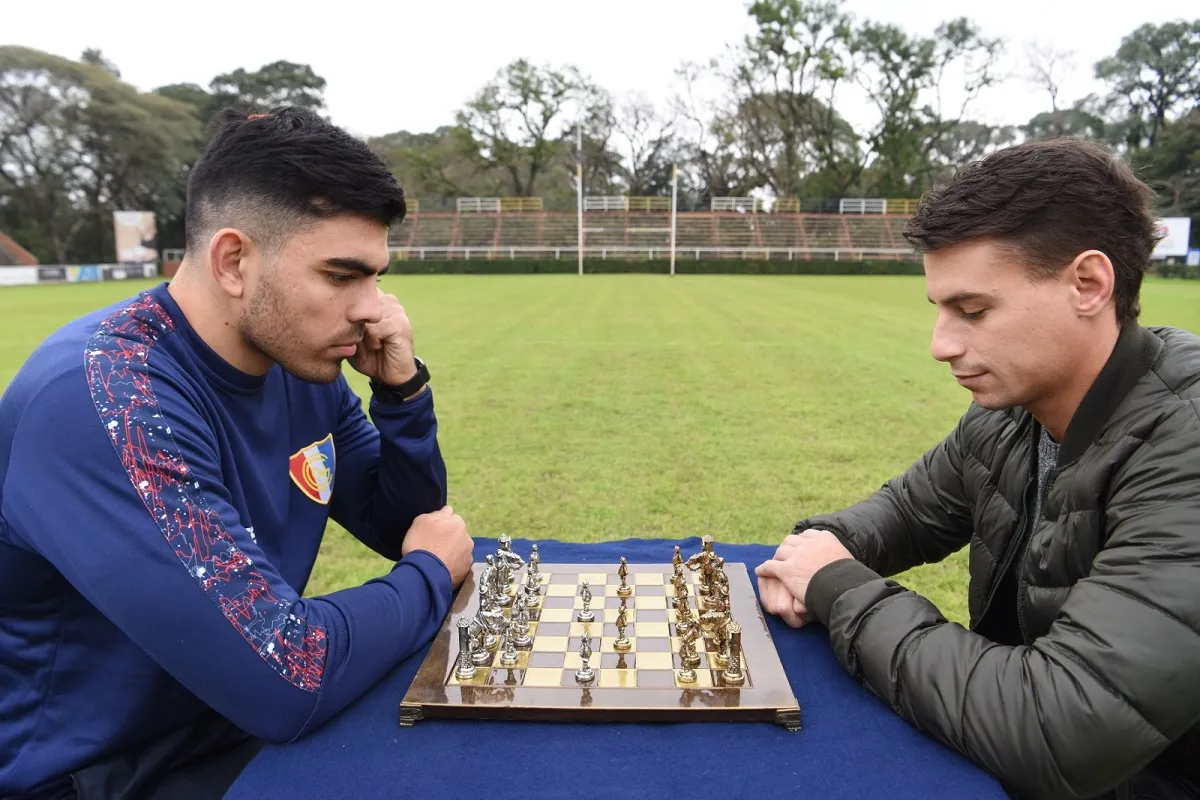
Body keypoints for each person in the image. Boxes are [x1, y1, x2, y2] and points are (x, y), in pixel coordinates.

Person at [0, 107, 474, 799]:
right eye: (342, 275)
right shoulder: (104, 400)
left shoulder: (298, 365)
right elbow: (292, 672)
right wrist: (430, 574)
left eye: (376, 276)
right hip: (90, 776)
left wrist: (402, 394)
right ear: (232, 261)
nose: (374, 309)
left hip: (230, 732)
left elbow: (399, 521)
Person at [756, 137, 1200, 800]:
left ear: (1089, 284)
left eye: (973, 311)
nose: (942, 345)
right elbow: (908, 512)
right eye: (940, 310)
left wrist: (837, 585)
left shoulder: (1185, 444)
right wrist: (822, 545)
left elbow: (1059, 729)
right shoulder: (1010, 409)